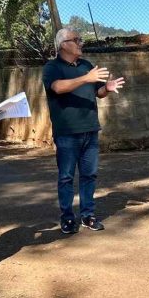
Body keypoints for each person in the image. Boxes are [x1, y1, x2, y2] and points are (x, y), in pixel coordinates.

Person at [42, 28, 124, 234]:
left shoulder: (87, 66)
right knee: (66, 177)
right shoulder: (52, 67)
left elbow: (98, 92)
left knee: (89, 175)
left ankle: (88, 215)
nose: (81, 43)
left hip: (90, 130)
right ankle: (68, 218)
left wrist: (108, 87)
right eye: (76, 40)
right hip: (67, 133)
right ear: (63, 45)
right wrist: (85, 79)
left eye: (80, 39)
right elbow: (58, 88)